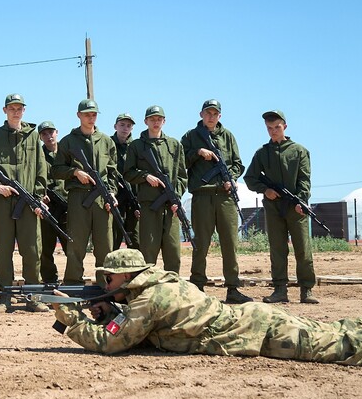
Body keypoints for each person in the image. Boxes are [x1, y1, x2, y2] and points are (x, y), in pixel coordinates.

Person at [50, 250, 362, 373]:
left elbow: (114, 344)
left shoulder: (148, 299)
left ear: (128, 276)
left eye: (109, 278)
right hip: (253, 322)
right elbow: (135, 327)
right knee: (335, 329)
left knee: (343, 346)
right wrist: (108, 308)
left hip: (257, 334)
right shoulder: (158, 285)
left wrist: (72, 321)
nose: (104, 283)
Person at [0, 94, 49, 314]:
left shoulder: (33, 138)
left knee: (32, 250)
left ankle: (33, 297)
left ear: (24, 111)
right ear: (5, 110)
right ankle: (5, 297)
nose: (16, 112)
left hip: (28, 204)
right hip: (2, 203)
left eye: (19, 109)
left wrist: (38, 198)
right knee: (4, 251)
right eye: (12, 109)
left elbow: (41, 170)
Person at [243, 110, 319, 304]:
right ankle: (280, 290)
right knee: (277, 250)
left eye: (277, 127)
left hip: (295, 207)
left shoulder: (299, 151)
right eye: (269, 128)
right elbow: (250, 178)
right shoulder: (262, 153)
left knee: (303, 249)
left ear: (285, 126)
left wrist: (301, 201)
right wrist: (265, 190)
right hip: (273, 207)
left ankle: (306, 290)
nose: (273, 131)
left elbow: (304, 179)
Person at [181, 99, 252, 304]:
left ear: (219, 116)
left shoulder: (228, 136)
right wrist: (197, 153)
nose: (211, 117)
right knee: (201, 244)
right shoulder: (190, 136)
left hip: (225, 196)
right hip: (202, 196)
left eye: (215, 114)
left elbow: (238, 164)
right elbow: (180, 161)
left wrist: (232, 179)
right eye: (208, 113)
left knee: (230, 243)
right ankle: (197, 287)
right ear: (201, 114)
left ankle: (233, 289)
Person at [51, 99, 118, 285]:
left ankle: (106, 284)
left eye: (94, 114)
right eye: (87, 114)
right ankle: (73, 282)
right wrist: (74, 172)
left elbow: (113, 172)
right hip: (78, 197)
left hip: (102, 198)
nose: (91, 118)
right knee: (76, 243)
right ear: (78, 115)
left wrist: (112, 194)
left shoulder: (107, 142)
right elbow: (56, 170)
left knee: (105, 245)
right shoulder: (68, 141)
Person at [124, 106, 187, 271]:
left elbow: (182, 176)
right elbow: (128, 173)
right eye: (152, 119)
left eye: (159, 119)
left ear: (164, 121)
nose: (156, 122)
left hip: (170, 207)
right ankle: (146, 284)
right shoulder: (136, 146)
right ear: (146, 121)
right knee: (148, 250)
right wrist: (145, 176)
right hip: (150, 206)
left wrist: (176, 197)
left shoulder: (174, 145)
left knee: (173, 250)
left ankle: (172, 284)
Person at [37, 121, 68, 284]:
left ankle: (72, 279)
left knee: (71, 246)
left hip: (67, 207)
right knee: (45, 248)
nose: (49, 136)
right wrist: (41, 194)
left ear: (57, 132)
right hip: (47, 209)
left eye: (51, 132)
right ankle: (49, 280)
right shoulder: (38, 155)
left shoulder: (67, 152)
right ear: (40, 137)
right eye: (44, 134)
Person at [111, 113, 140, 250]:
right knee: (113, 238)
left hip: (132, 197)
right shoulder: (108, 144)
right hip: (114, 197)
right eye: (122, 125)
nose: (125, 128)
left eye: (129, 125)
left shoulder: (136, 146)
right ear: (115, 126)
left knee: (135, 240)